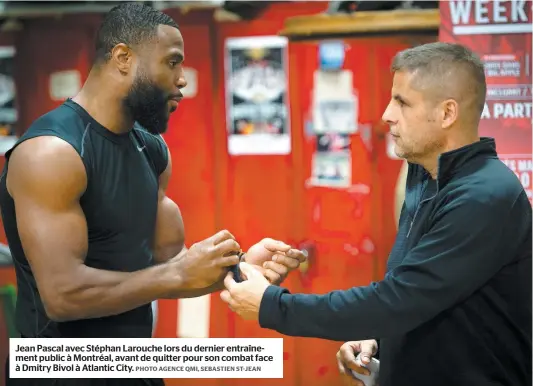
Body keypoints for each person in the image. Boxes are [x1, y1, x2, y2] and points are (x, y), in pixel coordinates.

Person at [1, 3, 305, 385]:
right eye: (172, 63)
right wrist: (180, 272)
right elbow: (63, 296)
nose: (182, 80)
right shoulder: (52, 153)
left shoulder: (151, 149)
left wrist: (240, 270)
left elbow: (169, 266)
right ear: (123, 58)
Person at [220, 42, 532, 386]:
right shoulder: (427, 178)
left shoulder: (483, 196)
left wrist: (271, 305)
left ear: (447, 113)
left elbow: (398, 300)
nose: (387, 114)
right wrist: (380, 342)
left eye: (402, 102)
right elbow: (428, 299)